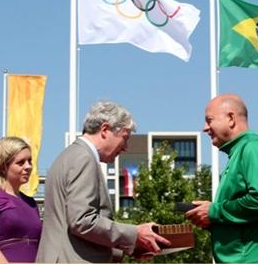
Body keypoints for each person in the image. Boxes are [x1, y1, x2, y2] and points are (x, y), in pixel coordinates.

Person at [36, 101, 170, 263]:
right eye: (125, 138)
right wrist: (135, 234)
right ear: (105, 130)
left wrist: (128, 247)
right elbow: (82, 221)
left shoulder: (68, 156)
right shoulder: (84, 158)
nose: (125, 147)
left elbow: (71, 226)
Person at [185, 93, 258, 263]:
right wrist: (211, 220)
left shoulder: (253, 148)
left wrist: (214, 211)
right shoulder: (241, 152)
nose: (205, 128)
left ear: (231, 118)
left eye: (209, 120)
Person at [0, 137, 42, 262]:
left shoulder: (31, 203)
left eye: (30, 161)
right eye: (21, 162)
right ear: (3, 166)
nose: (28, 166)